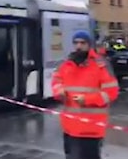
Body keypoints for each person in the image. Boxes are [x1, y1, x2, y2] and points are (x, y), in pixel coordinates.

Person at [51, 31, 119, 159]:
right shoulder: (66, 64)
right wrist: (59, 92)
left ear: (89, 45)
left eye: (83, 43)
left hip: (91, 128)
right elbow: (56, 81)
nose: (78, 46)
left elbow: (112, 93)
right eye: (76, 43)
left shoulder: (101, 65)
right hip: (70, 127)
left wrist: (87, 99)